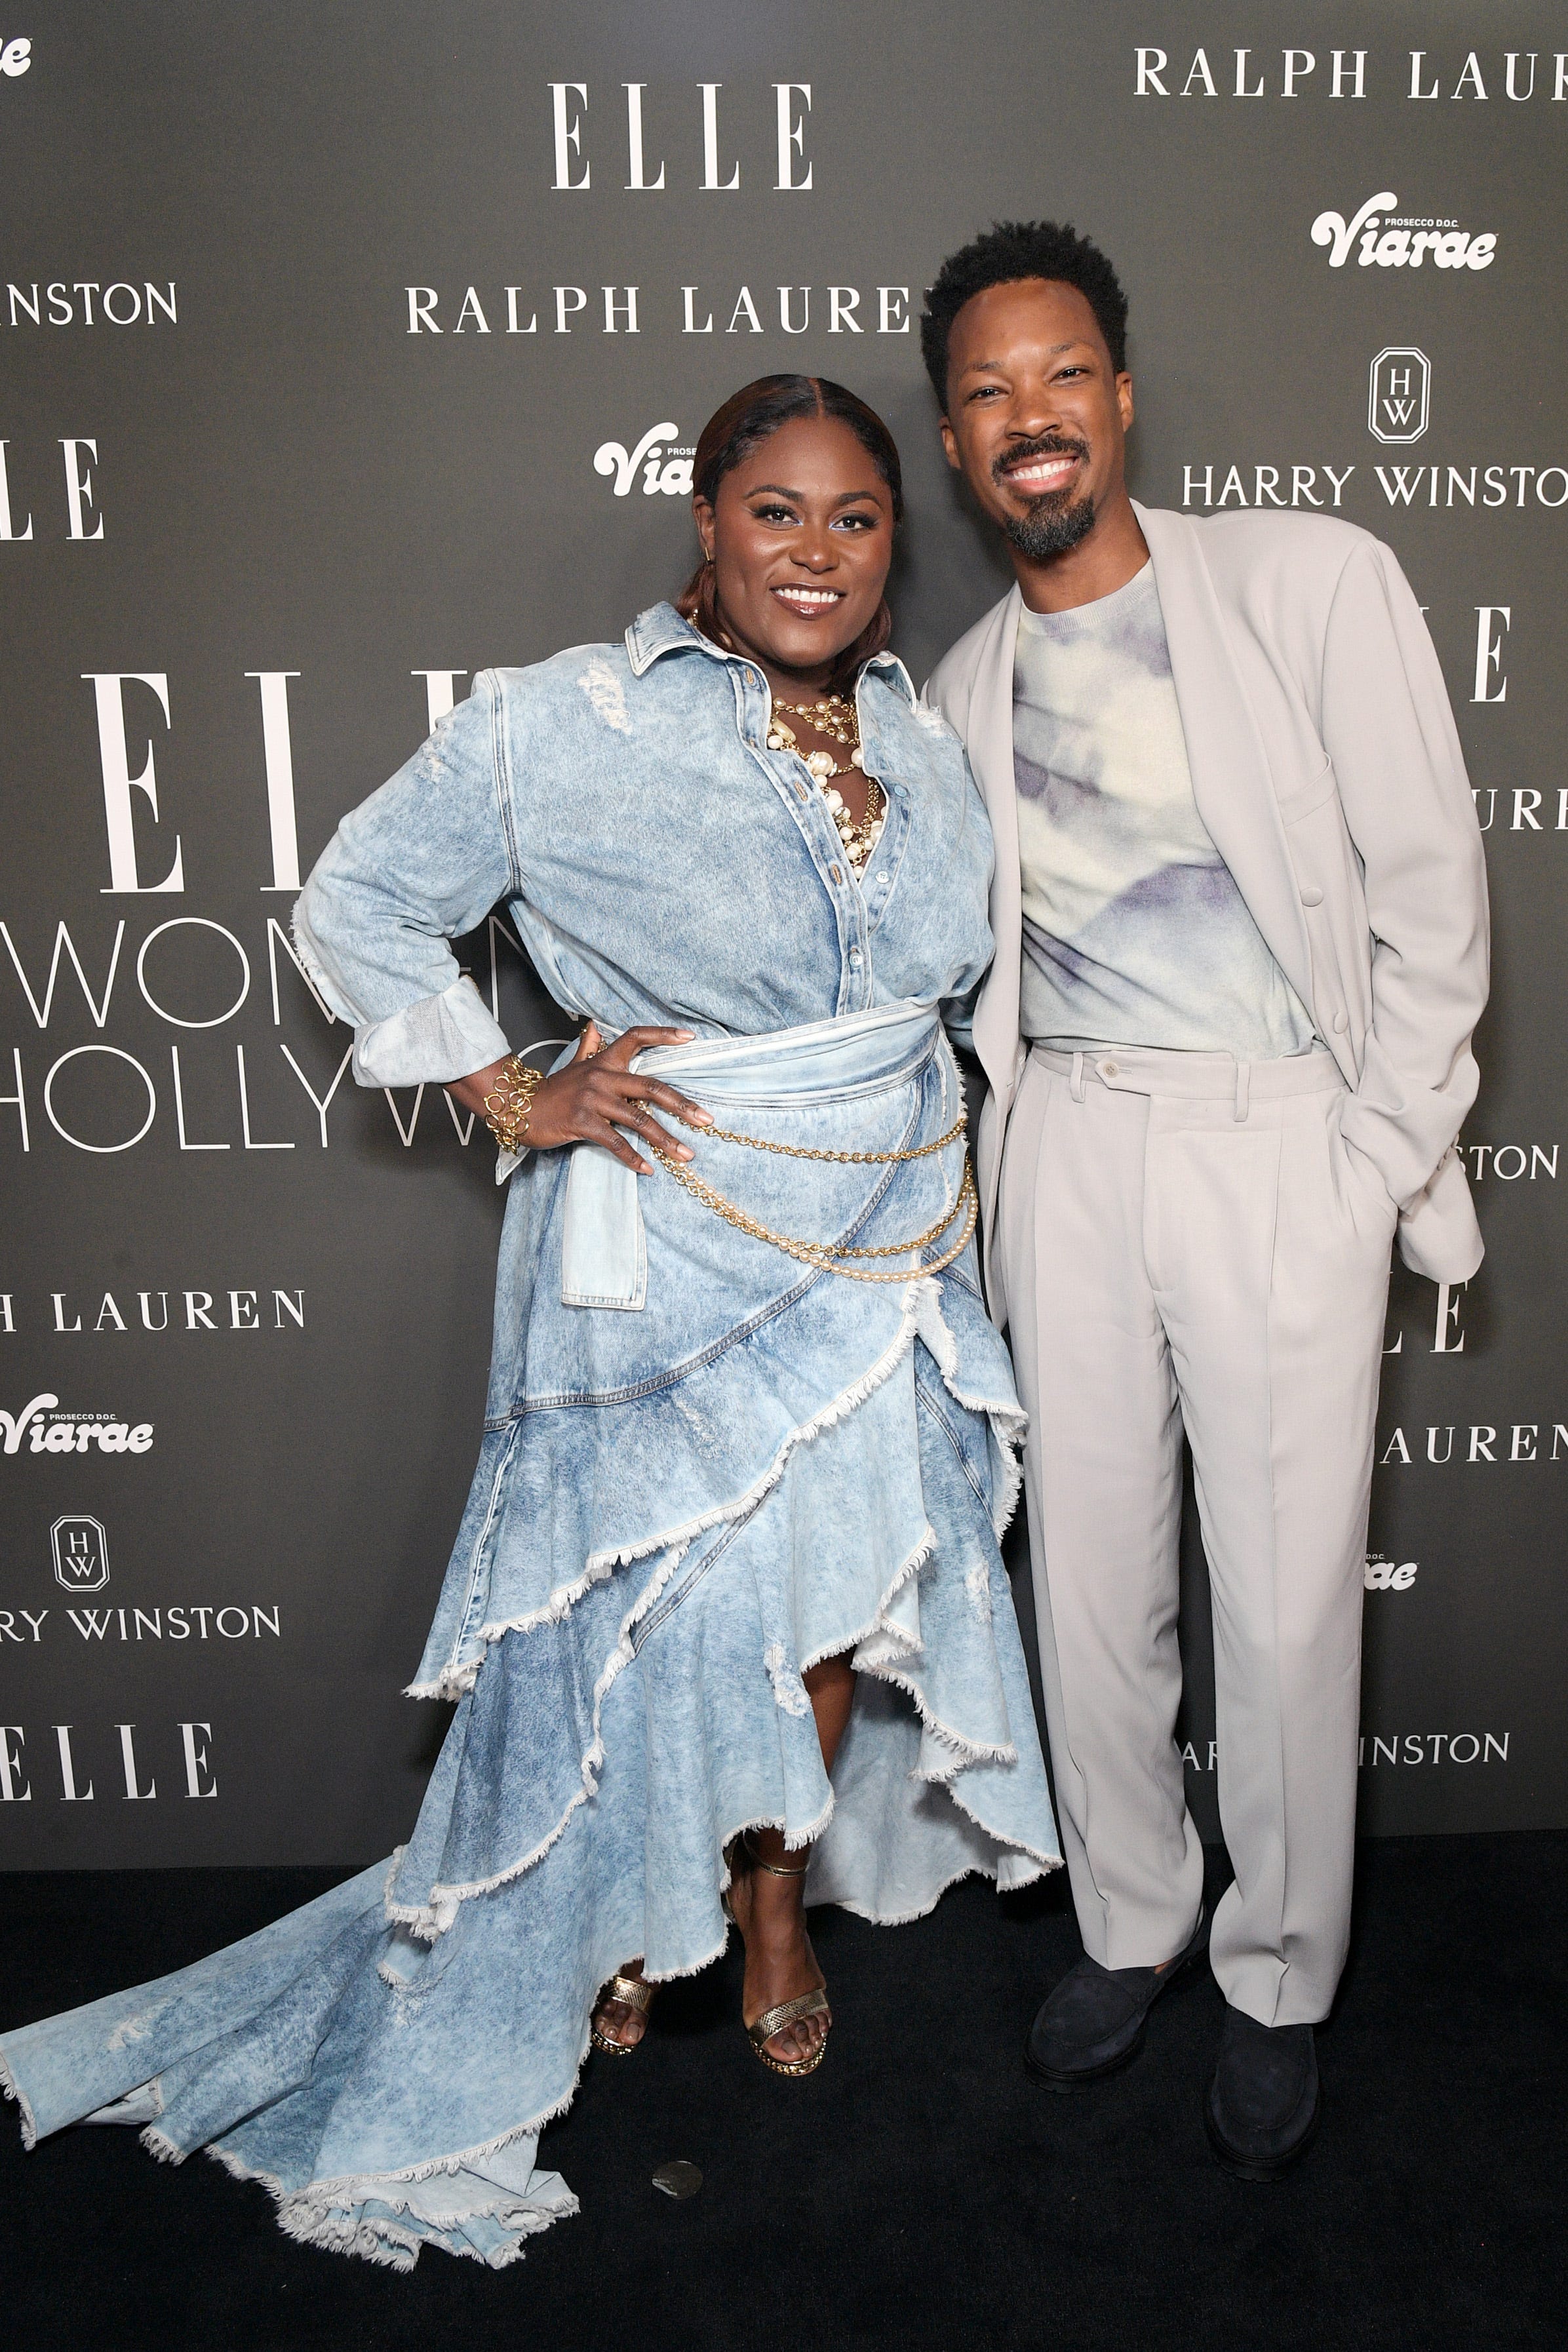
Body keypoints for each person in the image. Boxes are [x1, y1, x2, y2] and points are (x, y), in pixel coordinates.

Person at [1, 376, 1059, 2267]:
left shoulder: (924, 731)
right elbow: (357, 901)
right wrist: (511, 1089)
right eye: (775, 512)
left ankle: (770, 1916)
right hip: (670, 1242)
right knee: (646, 1613)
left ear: (895, 544)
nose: (815, 551)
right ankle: (613, 1913)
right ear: (706, 527)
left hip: (882, 1237)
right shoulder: (570, 718)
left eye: (855, 517)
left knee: (819, 1605)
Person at [920, 224, 1488, 2179]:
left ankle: (1276, 1975)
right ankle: (1130, 1920)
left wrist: (1372, 1154)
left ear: (1123, 395)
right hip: (1067, 1148)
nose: (1033, 417)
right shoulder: (962, 684)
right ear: (955, 443)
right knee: (1086, 1587)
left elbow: (1431, 896)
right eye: (990, 393)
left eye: (1063, 374)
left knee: (1287, 1599)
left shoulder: (1308, 582)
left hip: (1277, 1143)